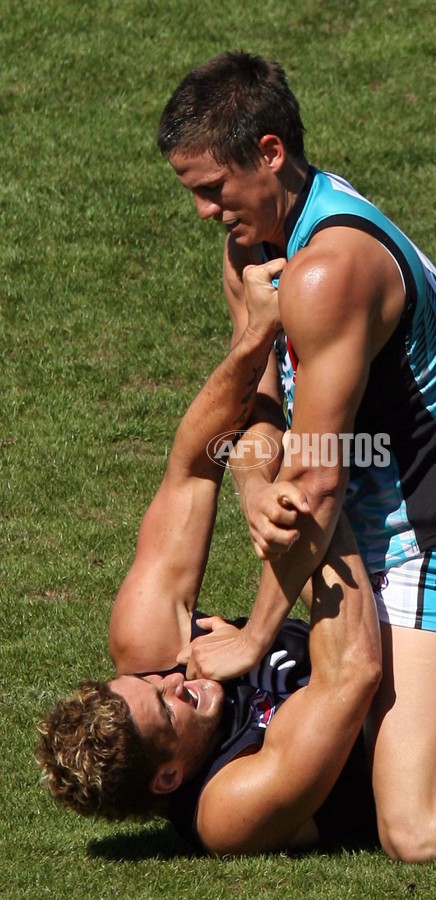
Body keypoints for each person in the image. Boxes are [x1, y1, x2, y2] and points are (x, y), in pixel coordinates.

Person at [151, 50, 436, 863]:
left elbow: (319, 481)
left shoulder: (328, 271)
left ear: (270, 153)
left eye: (211, 188)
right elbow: (263, 407)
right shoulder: (258, 250)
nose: (204, 211)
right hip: (393, 511)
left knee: (417, 824)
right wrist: (255, 476)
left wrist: (256, 637)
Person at [36, 264, 382, 854]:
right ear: (168, 775)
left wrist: (257, 335)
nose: (177, 681)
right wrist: (306, 481)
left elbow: (192, 467)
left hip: (392, 605)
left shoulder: (153, 651)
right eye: (169, 710)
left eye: (152, 683)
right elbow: (353, 672)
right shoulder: (227, 806)